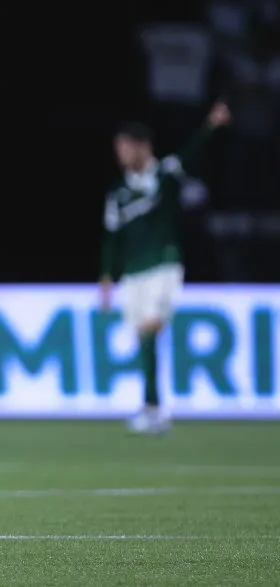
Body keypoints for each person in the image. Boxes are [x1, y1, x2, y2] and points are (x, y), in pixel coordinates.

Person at [99, 101, 230, 435]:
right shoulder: (118, 193)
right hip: (133, 272)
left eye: (125, 147)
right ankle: (152, 406)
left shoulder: (164, 174)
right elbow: (111, 237)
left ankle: (153, 408)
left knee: (149, 330)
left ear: (142, 146)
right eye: (118, 148)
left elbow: (191, 151)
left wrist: (211, 124)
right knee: (143, 339)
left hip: (164, 264)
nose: (121, 154)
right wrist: (106, 276)